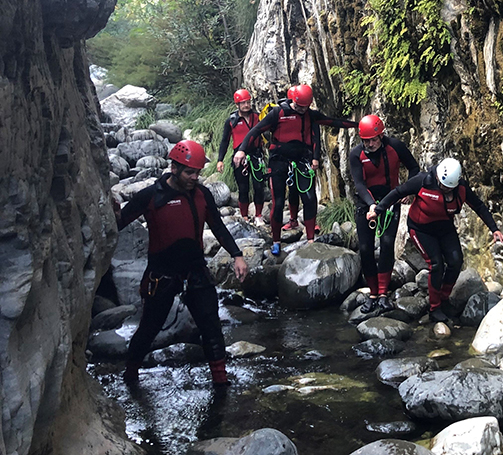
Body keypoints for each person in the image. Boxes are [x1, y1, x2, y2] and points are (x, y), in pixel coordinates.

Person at [117, 140, 249, 387]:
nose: (194, 177)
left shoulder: (201, 194)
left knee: (211, 325)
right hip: (162, 273)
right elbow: (119, 223)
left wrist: (237, 255)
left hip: (195, 269)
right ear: (174, 168)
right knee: (149, 328)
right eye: (190, 172)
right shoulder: (151, 196)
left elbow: (218, 227)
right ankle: (131, 374)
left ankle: (220, 381)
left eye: (198, 172)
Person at [367, 158, 503, 322]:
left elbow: (479, 206)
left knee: (456, 261)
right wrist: (378, 209)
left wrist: (494, 229)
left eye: (448, 188)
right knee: (436, 265)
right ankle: (434, 308)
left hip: (444, 227)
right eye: (442, 185)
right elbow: (397, 193)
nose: (444, 189)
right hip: (420, 229)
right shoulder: (423, 181)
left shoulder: (461, 188)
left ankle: (444, 297)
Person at [234, 84, 358, 255]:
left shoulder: (310, 115)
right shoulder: (278, 113)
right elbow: (256, 130)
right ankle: (276, 241)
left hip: (301, 159)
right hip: (279, 160)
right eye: (299, 106)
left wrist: (358, 125)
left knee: (309, 198)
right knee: (278, 202)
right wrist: (241, 150)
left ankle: (310, 240)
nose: (301, 110)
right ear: (294, 101)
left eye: (305, 107)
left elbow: (332, 121)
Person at [349, 114, 420, 313]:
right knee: (365, 248)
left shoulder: (395, 146)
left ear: (381, 136)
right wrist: (372, 205)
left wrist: (407, 190)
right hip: (366, 204)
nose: (370, 144)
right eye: (366, 141)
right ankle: (372, 293)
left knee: (387, 244)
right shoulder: (356, 155)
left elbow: (414, 168)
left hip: (392, 201)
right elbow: (359, 184)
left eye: (374, 140)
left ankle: (383, 293)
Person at [217, 88, 267, 227]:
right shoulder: (232, 121)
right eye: (243, 103)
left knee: (259, 187)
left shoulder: (258, 118)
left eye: (248, 102)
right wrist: (220, 160)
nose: (246, 105)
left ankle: (258, 215)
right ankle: (244, 215)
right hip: (239, 158)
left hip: (256, 155)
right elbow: (225, 141)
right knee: (243, 187)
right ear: (237, 105)